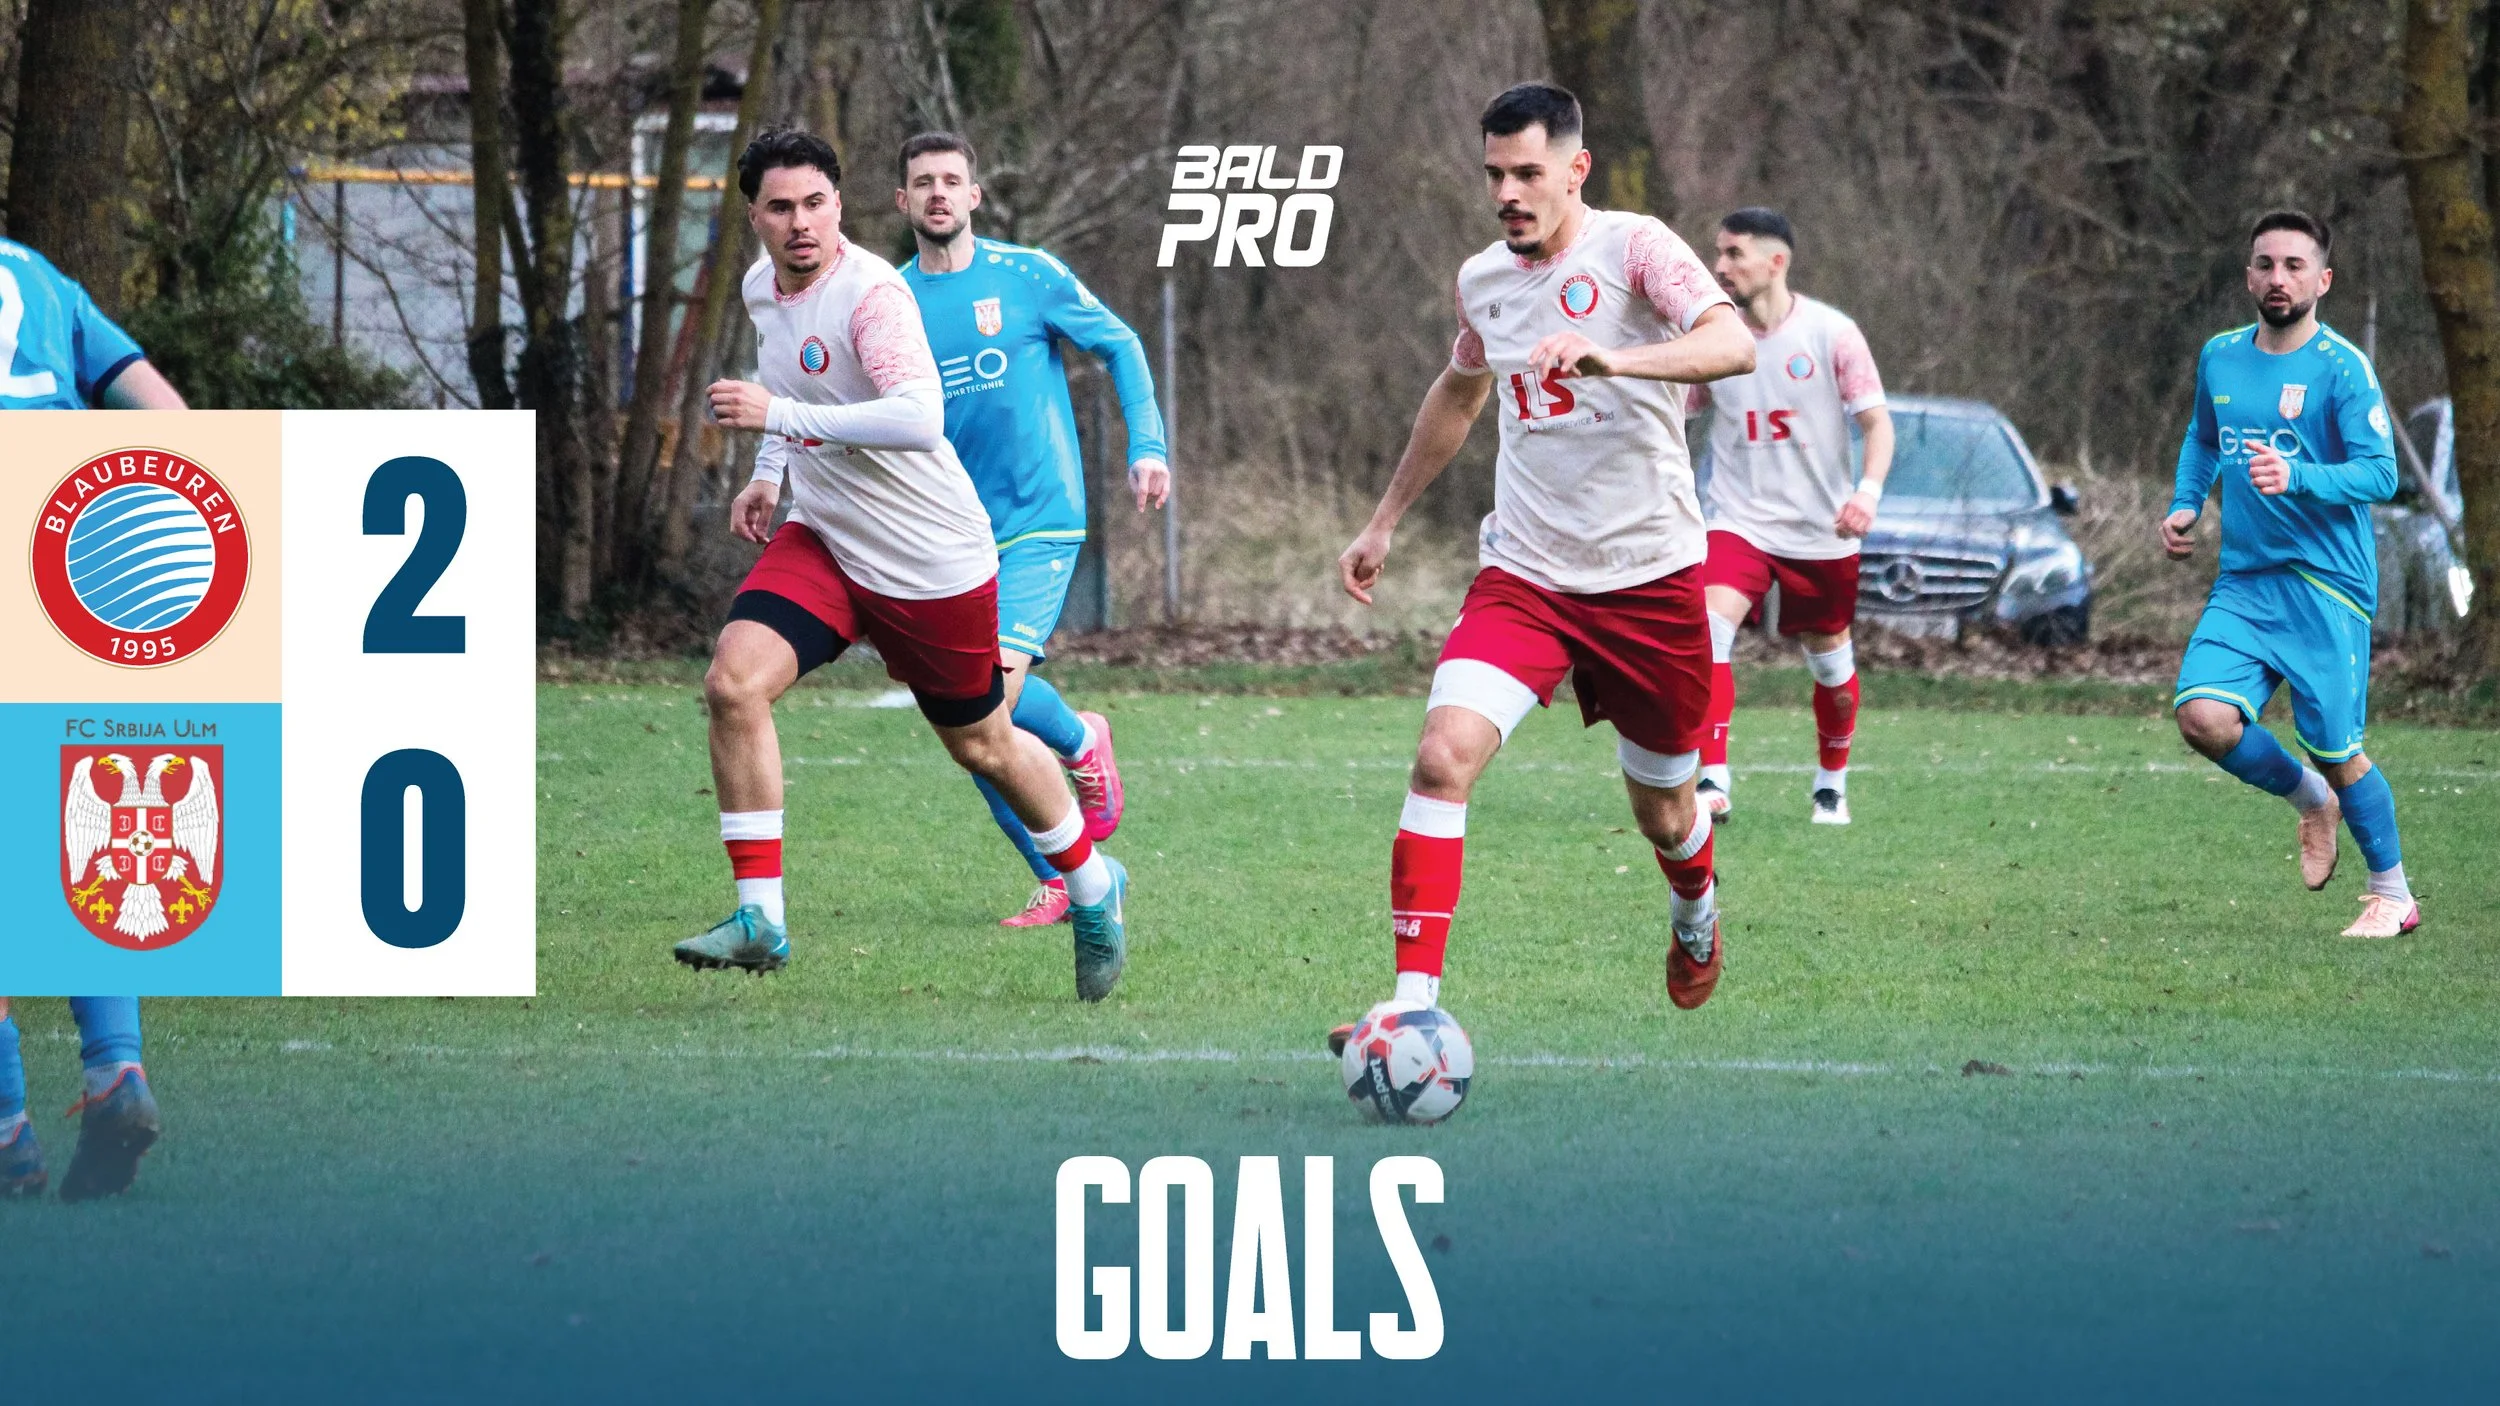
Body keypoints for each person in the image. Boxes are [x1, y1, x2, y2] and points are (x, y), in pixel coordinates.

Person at [1331, 81, 1755, 1042]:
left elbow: (1731, 344)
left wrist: (1616, 359)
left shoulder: (1637, 248)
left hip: (1650, 579)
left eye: (1527, 173)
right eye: (1494, 174)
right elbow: (1461, 389)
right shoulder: (1483, 280)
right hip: (1525, 576)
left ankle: (1695, 909)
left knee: (1665, 813)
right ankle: (1411, 1010)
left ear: (1576, 169)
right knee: (1441, 758)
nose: (1507, 194)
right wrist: (1384, 520)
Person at [673, 129, 1133, 998]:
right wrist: (769, 474)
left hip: (928, 558)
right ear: (754, 216)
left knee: (983, 743)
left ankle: (1091, 884)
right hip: (827, 539)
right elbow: (789, 388)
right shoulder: (762, 287)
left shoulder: (873, 295)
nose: (801, 223)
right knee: (733, 684)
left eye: (816, 204)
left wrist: (779, 421)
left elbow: (917, 417)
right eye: (781, 207)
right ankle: (761, 918)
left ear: (840, 206)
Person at [895, 131, 1168, 927]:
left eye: (952, 180)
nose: (939, 193)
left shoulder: (1028, 275)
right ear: (903, 201)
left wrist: (1148, 447)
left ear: (974, 196)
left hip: (1039, 520)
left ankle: (1069, 864)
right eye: (923, 182)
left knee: (983, 708)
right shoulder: (890, 302)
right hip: (950, 534)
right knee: (966, 721)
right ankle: (1077, 757)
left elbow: (1120, 344)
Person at [2165, 209, 2416, 939]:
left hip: (2324, 585)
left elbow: (2381, 474)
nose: (2279, 278)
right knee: (2202, 718)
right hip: (2246, 580)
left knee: (2336, 749)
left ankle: (2393, 894)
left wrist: (2298, 475)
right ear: (2249, 277)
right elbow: (2203, 438)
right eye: (2266, 264)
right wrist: (2185, 504)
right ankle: (2310, 801)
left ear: (2323, 280)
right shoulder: (2220, 356)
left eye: (2295, 266)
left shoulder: (2343, 368)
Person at [1, 234, 186, 1200]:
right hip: (71, 551)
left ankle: (6, 1130)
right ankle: (117, 1069)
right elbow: (165, 414)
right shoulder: (35, 274)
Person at [1687, 207, 1893, 824]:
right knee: (1708, 626)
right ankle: (1712, 778)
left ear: (1776, 262)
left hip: (1820, 529)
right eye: (1718, 253)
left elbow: (1877, 424)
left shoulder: (1832, 334)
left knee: (1830, 663)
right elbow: (1675, 411)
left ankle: (1831, 784)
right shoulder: (1716, 338)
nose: (1720, 266)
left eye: (1734, 254)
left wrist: (1867, 494)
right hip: (1738, 520)